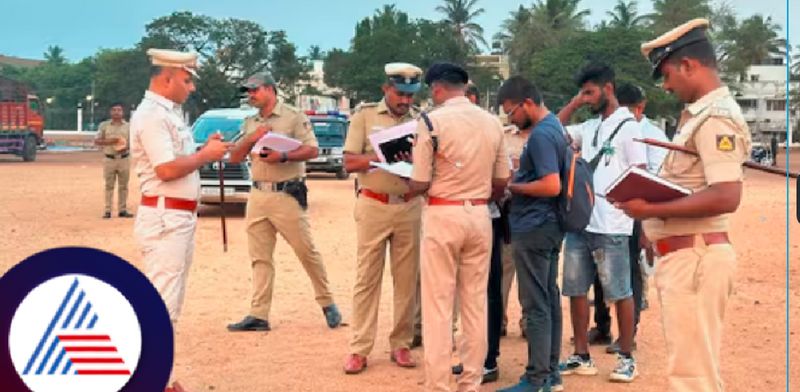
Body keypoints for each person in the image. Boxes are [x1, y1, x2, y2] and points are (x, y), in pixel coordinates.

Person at [617, 18, 751, 391]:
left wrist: (651, 211)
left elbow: (727, 195)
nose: (666, 84)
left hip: (696, 259)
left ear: (689, 65)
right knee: (690, 372)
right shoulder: (699, 117)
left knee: (693, 379)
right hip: (686, 256)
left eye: (667, 73)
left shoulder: (716, 118)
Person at [408, 62, 509, 392]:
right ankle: (471, 381)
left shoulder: (430, 121)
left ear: (437, 88)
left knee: (438, 306)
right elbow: (502, 179)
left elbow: (420, 181)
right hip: (480, 214)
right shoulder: (492, 122)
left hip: (442, 212)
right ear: (465, 87)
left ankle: (438, 384)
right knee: (474, 303)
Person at [226, 71, 342, 332]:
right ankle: (259, 314)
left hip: (286, 194)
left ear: (269, 89)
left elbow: (311, 149)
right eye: (249, 91)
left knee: (306, 251)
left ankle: (327, 303)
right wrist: (252, 138)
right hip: (258, 195)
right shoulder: (250, 122)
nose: (251, 95)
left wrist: (282, 156)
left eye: (254, 90)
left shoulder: (293, 117)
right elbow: (234, 157)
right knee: (260, 257)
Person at [556, 62, 646, 383]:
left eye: (591, 92)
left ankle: (626, 356)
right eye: (583, 93)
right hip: (581, 223)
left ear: (608, 88)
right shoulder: (590, 127)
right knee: (576, 290)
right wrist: (576, 102)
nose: (587, 98)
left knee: (620, 291)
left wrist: (634, 219)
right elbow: (553, 128)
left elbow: (640, 174)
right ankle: (581, 355)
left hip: (613, 224)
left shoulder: (630, 127)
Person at [131, 48, 231, 325]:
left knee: (170, 301)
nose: (192, 87)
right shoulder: (153, 115)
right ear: (167, 78)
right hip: (166, 217)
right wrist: (205, 155)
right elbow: (165, 169)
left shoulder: (169, 114)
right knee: (163, 303)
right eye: (186, 80)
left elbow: (176, 158)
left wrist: (203, 148)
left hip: (177, 216)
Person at [341, 62, 423, 374]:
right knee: (367, 279)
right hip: (373, 204)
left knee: (406, 280)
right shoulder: (364, 116)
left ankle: (401, 344)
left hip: (408, 205)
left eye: (410, 95)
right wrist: (384, 155)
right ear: (385, 89)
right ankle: (359, 348)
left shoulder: (420, 121)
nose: (405, 101)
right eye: (400, 93)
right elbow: (349, 162)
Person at [495, 76, 567, 392]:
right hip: (549, 226)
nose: (511, 119)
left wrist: (512, 186)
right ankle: (550, 371)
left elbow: (552, 185)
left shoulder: (540, 136)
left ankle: (537, 378)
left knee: (535, 304)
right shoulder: (556, 129)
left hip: (535, 226)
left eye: (511, 112)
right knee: (549, 298)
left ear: (527, 103)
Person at [594, 82, 670, 354]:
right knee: (601, 272)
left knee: (630, 275)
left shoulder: (653, 134)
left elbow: (658, 176)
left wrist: (646, 224)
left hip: (637, 211)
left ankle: (629, 333)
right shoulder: (603, 127)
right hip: (605, 213)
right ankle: (602, 325)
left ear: (641, 108)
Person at [95, 102, 133, 219]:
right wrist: (112, 141)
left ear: (123, 112)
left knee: (123, 186)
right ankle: (107, 210)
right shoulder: (104, 126)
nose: (116, 112)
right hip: (109, 159)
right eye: (114, 110)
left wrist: (125, 147)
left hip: (124, 159)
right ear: (110, 112)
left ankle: (122, 210)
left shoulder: (128, 127)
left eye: (119, 110)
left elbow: (133, 142)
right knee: (109, 186)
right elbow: (97, 141)